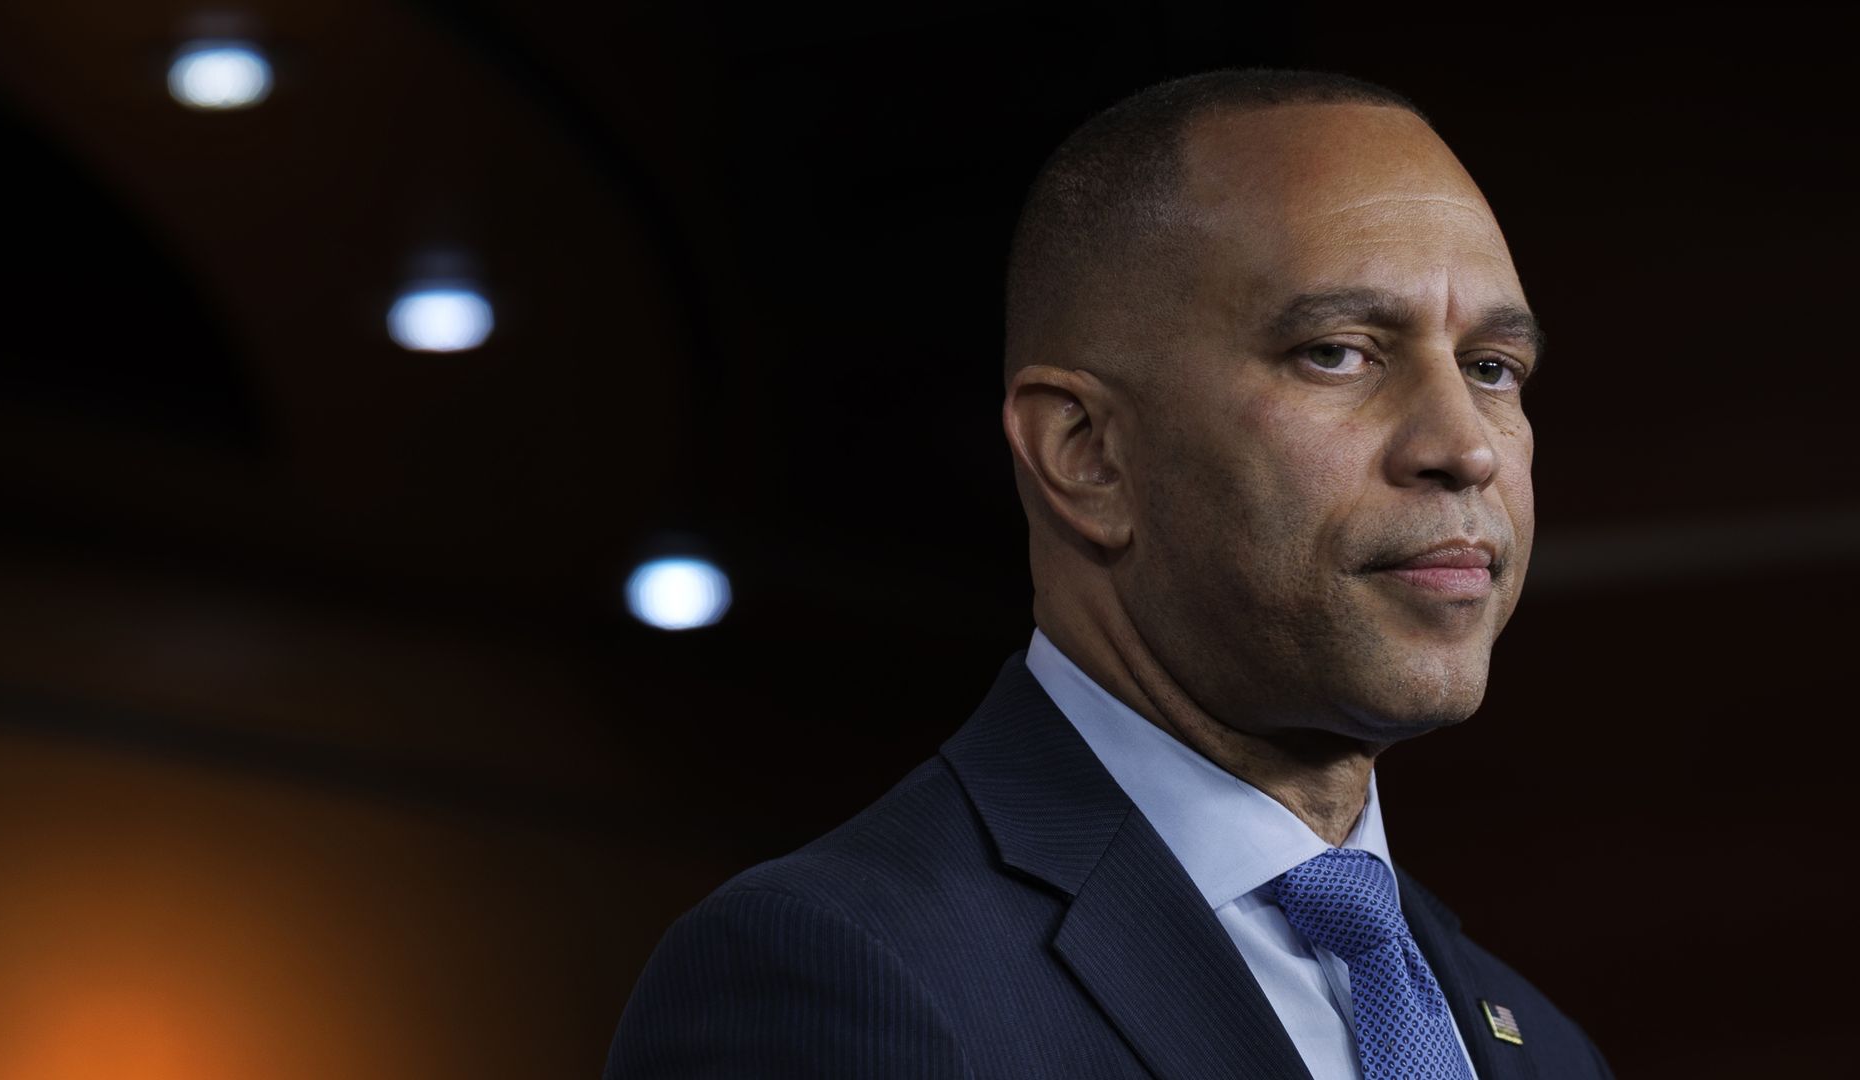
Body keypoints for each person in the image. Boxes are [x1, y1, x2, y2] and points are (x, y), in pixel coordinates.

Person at [604, 69, 1612, 1079]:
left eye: (1491, 368)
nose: (1464, 448)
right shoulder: (832, 971)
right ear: (1084, 452)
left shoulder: (1543, 1050)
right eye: (1338, 353)